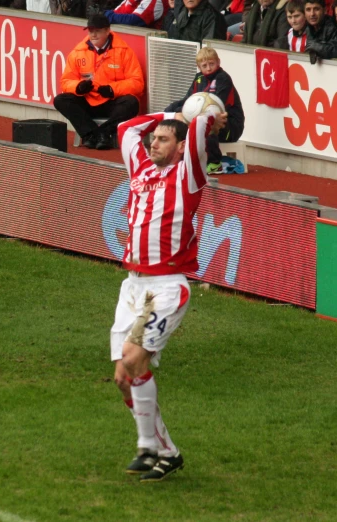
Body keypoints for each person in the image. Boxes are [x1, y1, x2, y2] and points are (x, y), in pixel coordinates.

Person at [112, 108, 227, 482]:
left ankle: (146, 446)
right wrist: (167, 113)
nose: (153, 142)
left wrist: (202, 114)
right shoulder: (140, 169)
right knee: (123, 376)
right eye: (154, 138)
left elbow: (198, 129)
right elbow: (126, 128)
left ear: (180, 148)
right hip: (133, 286)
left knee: (133, 358)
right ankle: (168, 452)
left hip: (165, 286)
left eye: (163, 139)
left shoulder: (188, 174)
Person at [53, 13, 144, 150]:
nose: (93, 35)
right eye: (91, 31)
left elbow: (137, 83)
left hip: (112, 102)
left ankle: (102, 133)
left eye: (97, 31)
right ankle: (93, 134)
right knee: (60, 100)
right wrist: (78, 87)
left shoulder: (124, 52)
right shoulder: (78, 52)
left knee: (132, 103)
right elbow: (66, 81)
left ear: (107, 31)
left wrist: (112, 90)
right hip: (88, 101)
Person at [163, 47, 244, 173]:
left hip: (229, 125)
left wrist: (184, 112)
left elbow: (217, 106)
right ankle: (179, 159)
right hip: (209, 119)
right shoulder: (199, 78)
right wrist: (170, 111)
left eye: (211, 64)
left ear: (218, 62)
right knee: (174, 117)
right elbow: (188, 100)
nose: (208, 68)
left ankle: (214, 163)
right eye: (204, 65)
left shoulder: (223, 79)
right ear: (199, 67)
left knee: (207, 121)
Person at [104, 0, 169, 28]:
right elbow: (115, 13)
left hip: (148, 46)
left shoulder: (156, 1)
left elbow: (134, 20)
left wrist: (106, 16)